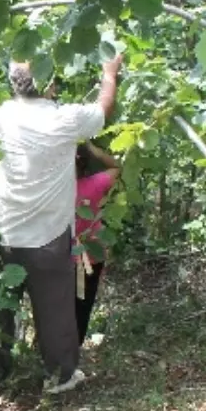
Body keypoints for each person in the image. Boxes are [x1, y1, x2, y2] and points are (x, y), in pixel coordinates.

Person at [0, 54, 122, 394]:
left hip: (5, 228)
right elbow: (103, 109)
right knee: (54, 309)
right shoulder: (65, 119)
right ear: (50, 83)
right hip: (48, 235)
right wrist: (109, 73)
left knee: (1, 305)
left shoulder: (2, 115)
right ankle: (60, 376)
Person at [74, 141, 121, 345]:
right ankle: (69, 361)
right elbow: (117, 167)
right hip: (90, 258)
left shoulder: (50, 190)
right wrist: (92, 147)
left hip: (61, 260)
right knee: (81, 311)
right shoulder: (95, 184)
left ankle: (52, 361)